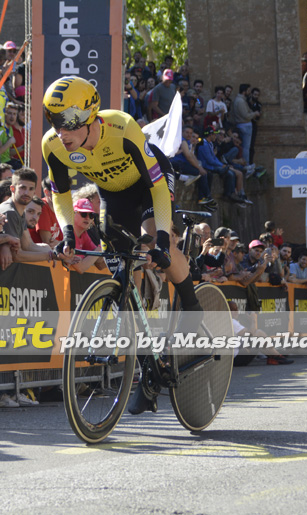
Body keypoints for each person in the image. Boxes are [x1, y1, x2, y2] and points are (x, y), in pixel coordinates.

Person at [41, 76, 204, 415]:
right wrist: (69, 232)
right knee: (122, 276)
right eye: (52, 120)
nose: (60, 132)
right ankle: (148, 375)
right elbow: (61, 195)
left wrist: (160, 236)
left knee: (152, 243)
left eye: (67, 122)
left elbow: (158, 190)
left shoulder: (122, 127)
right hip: (113, 196)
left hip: (150, 185)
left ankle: (191, 302)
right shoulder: (53, 146)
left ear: (89, 116)